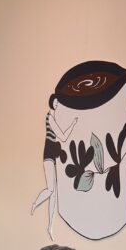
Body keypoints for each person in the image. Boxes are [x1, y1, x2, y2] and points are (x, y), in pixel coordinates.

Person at [30, 96, 78, 239]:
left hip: (53, 154)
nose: (57, 105)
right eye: (56, 102)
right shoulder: (50, 117)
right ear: (52, 103)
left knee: (54, 192)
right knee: (51, 189)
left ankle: (50, 226)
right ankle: (35, 204)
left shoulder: (54, 117)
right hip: (48, 154)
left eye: (58, 103)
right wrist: (73, 124)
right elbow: (62, 137)